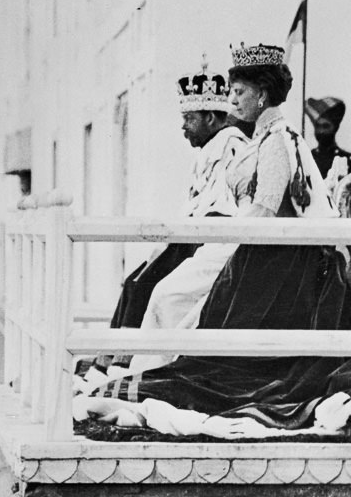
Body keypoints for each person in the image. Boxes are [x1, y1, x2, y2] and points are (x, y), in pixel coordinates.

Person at [83, 42, 351, 429]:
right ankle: (143, 371)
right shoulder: (263, 137)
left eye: (240, 92)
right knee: (168, 297)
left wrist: (225, 242)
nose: (232, 98)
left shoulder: (276, 141)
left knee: (173, 300)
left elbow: (264, 209)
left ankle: (148, 378)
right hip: (243, 248)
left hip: (264, 259)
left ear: (263, 95)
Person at [105, 61, 254, 338]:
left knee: (151, 288)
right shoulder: (207, 153)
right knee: (133, 283)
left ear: (210, 118)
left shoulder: (233, 149)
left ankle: (131, 360)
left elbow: (223, 213)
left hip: (213, 246)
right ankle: (113, 358)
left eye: (189, 119)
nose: (183, 127)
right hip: (191, 239)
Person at [305, 96, 351, 201]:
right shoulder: (307, 158)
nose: (321, 131)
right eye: (317, 126)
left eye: (326, 126)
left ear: (335, 128)